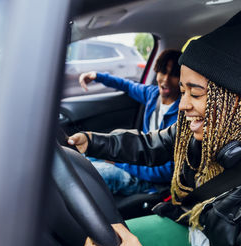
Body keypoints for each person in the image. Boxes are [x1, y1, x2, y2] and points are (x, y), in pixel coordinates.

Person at [68, 6, 241, 246]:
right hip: (190, 224)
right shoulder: (207, 126)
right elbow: (152, 145)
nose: (182, 105)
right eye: (183, 91)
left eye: (196, 93)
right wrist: (93, 142)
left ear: (234, 100)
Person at [78, 49, 182, 195]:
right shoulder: (152, 95)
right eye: (163, 72)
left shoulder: (182, 114)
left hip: (152, 179)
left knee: (87, 175)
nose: (165, 79)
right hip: (138, 159)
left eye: (174, 75)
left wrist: (120, 162)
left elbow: (167, 171)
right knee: (81, 157)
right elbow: (127, 85)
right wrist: (97, 76)